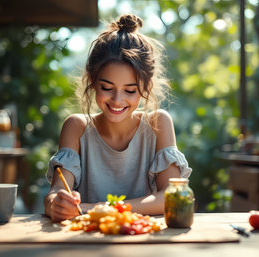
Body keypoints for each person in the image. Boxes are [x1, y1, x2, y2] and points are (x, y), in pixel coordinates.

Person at [44, 14, 192, 222]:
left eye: (130, 91)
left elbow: (170, 197)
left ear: (146, 88)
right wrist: (56, 204)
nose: (117, 100)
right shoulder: (76, 127)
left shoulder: (158, 124)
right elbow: (55, 193)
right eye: (106, 88)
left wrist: (95, 208)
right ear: (92, 81)